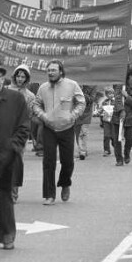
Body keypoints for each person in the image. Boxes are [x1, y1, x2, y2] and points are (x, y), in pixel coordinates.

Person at [0, 60, 29, 249]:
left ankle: (7, 236)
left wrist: (13, 147)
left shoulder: (16, 99)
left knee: (5, 197)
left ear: (3, 79)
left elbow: (24, 127)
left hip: (8, 157)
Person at [33, 59, 85, 205]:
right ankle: (49, 195)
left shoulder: (72, 85)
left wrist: (72, 116)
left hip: (67, 128)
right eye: (49, 70)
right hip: (49, 129)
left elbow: (81, 103)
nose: (50, 73)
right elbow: (36, 105)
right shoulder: (43, 88)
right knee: (48, 162)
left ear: (61, 71)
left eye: (53, 70)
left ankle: (65, 183)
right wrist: (44, 116)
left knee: (67, 162)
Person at [8, 64, 35, 203]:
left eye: (23, 77)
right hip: (5, 131)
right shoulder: (5, 91)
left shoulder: (30, 96)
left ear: (27, 79)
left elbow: (29, 115)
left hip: (20, 133)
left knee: (16, 162)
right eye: (18, 76)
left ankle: (14, 192)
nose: (20, 79)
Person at [112, 66, 132, 166]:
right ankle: (119, 159)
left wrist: (126, 96)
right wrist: (121, 110)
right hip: (118, 115)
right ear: (128, 76)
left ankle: (127, 153)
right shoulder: (120, 85)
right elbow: (117, 99)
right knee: (117, 139)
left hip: (131, 117)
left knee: (129, 138)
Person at [74, 85, 96, 160]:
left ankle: (83, 151)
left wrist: (82, 93)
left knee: (83, 132)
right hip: (76, 112)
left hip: (86, 112)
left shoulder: (92, 85)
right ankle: (80, 149)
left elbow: (91, 99)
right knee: (77, 132)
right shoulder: (74, 84)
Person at [99, 86, 115, 156]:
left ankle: (116, 147)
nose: (111, 95)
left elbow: (119, 109)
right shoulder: (104, 102)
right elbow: (101, 109)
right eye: (109, 94)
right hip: (106, 121)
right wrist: (98, 112)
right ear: (106, 95)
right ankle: (106, 150)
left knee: (114, 136)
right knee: (106, 136)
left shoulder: (116, 102)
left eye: (112, 93)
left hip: (114, 121)